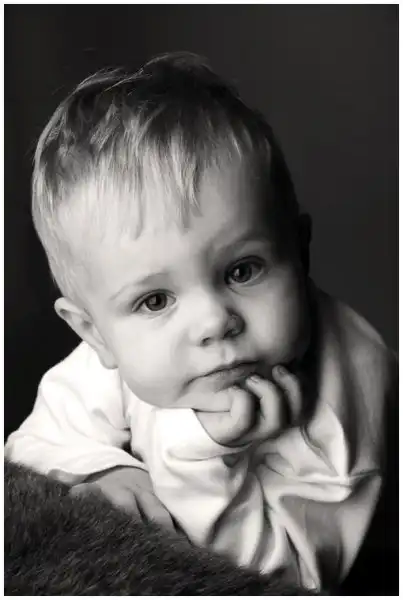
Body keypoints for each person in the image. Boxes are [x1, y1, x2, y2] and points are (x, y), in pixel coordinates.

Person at [5, 52, 397, 591]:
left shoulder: (341, 396)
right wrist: (108, 469)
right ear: (95, 334)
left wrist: (198, 457)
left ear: (299, 252)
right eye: (155, 301)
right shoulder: (117, 352)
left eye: (243, 270)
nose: (214, 321)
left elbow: (283, 581)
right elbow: (29, 448)